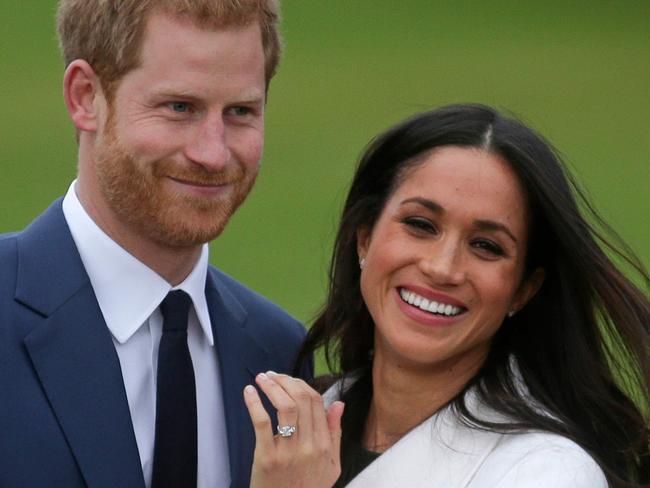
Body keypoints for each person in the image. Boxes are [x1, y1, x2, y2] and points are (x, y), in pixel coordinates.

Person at [0, 1, 314, 487]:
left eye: (241, 111)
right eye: (179, 108)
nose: (213, 153)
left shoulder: (279, 350)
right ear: (85, 97)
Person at [253, 104, 649, 487]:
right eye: (420, 224)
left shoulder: (547, 472)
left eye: (486, 246)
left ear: (523, 290)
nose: (442, 267)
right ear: (365, 237)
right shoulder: (291, 423)